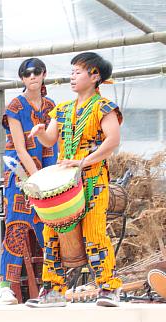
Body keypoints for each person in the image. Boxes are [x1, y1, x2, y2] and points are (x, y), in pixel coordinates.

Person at [28, 52, 123, 307]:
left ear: (95, 76)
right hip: (65, 180)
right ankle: (54, 291)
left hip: (92, 178)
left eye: (77, 72)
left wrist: (83, 161)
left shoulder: (104, 108)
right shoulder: (63, 109)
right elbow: (51, 139)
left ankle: (108, 288)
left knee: (93, 232)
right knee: (52, 231)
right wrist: (40, 134)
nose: (72, 77)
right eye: (71, 72)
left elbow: (112, 141)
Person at [0, 58, 58, 305]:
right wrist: (37, 177)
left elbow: (52, 143)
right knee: (16, 227)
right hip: (20, 176)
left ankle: (52, 286)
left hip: (47, 175)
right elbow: (20, 148)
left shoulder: (52, 106)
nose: (32, 77)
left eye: (36, 72)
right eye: (26, 74)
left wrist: (52, 177)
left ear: (44, 74)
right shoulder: (15, 105)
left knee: (49, 228)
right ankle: (4, 287)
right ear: (22, 78)